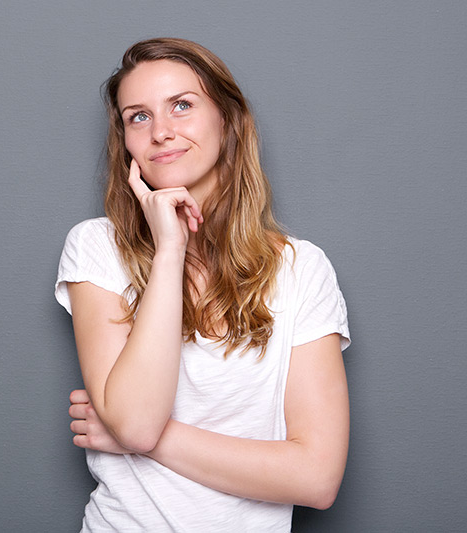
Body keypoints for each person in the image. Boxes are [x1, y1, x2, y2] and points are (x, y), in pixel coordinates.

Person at [54, 38, 350, 532]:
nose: (161, 132)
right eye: (138, 117)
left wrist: (142, 438)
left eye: (182, 106)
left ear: (227, 120)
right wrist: (169, 250)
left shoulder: (302, 268)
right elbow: (136, 421)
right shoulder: (97, 247)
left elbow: (317, 478)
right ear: (124, 142)